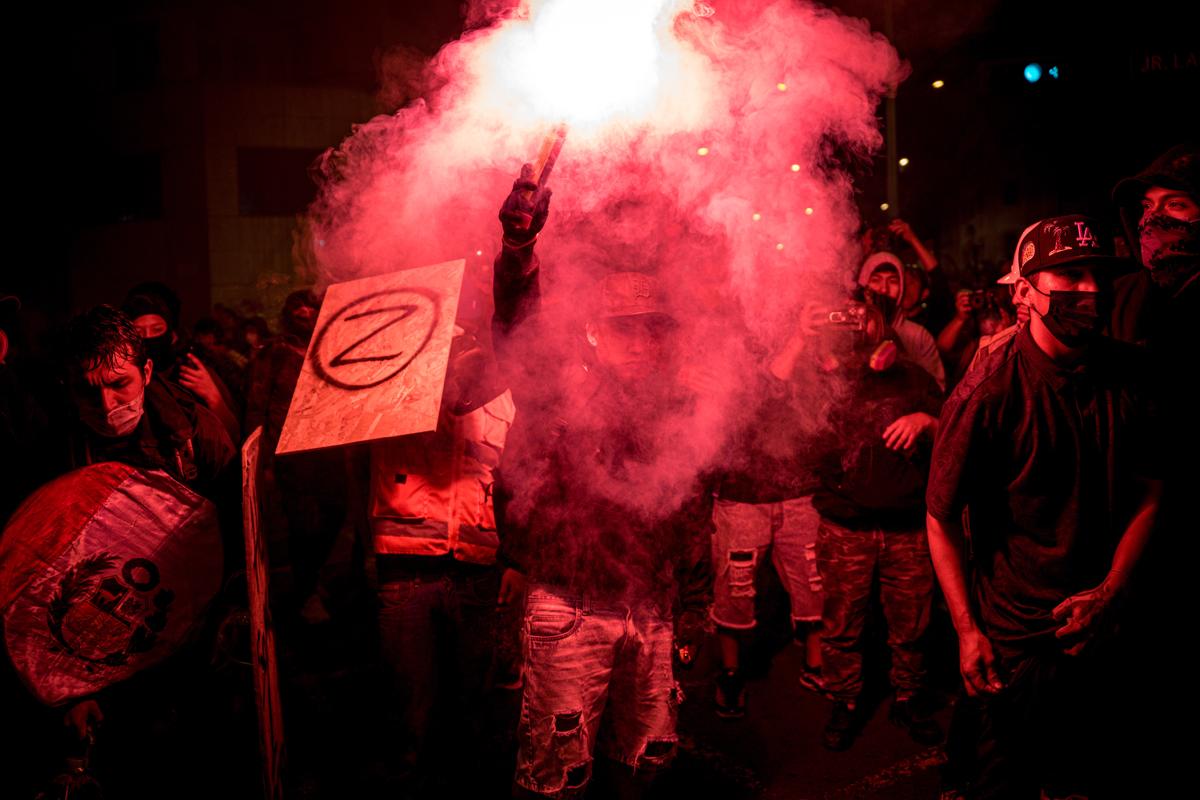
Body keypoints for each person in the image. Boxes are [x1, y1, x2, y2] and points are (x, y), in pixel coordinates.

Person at [492, 167, 712, 798]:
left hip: (652, 606)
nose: (643, 341)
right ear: (594, 331)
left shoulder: (677, 407)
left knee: (645, 766)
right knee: (559, 778)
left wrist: (693, 607)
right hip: (570, 606)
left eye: (654, 329)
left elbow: (693, 510)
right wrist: (517, 252)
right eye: (625, 327)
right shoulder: (561, 389)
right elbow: (515, 333)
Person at [925, 215, 1161, 798]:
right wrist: (966, 632)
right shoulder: (987, 393)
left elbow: (1151, 493)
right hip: (1016, 641)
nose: (1089, 290)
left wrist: (1110, 592)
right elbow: (940, 517)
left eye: (1097, 275)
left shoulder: (1131, 375)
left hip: (1108, 632)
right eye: (1069, 274)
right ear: (1024, 291)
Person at [362, 320, 516, 788]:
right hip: (405, 569)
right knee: (410, 708)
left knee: (473, 703)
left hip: (477, 570)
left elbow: (516, 482)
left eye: (467, 349)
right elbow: (355, 468)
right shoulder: (392, 388)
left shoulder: (504, 395)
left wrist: (516, 561)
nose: (460, 358)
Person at [808, 301, 943, 751]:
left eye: (864, 313)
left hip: (907, 527)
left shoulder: (914, 377)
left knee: (912, 623)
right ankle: (844, 702)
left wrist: (926, 421)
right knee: (842, 625)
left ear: (882, 321)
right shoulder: (825, 378)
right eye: (846, 314)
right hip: (846, 527)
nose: (856, 320)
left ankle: (908, 697)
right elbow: (791, 418)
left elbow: (955, 430)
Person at [708, 321, 827, 718]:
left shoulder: (802, 334)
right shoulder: (728, 340)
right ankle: (730, 671)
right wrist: (795, 341)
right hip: (743, 492)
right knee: (734, 586)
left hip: (797, 488)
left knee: (813, 580)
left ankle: (816, 663)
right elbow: (755, 396)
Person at [857, 251, 945, 390]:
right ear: (864, 287)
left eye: (892, 281)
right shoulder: (850, 331)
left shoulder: (919, 336)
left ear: (902, 288)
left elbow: (937, 391)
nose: (884, 289)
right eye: (875, 280)